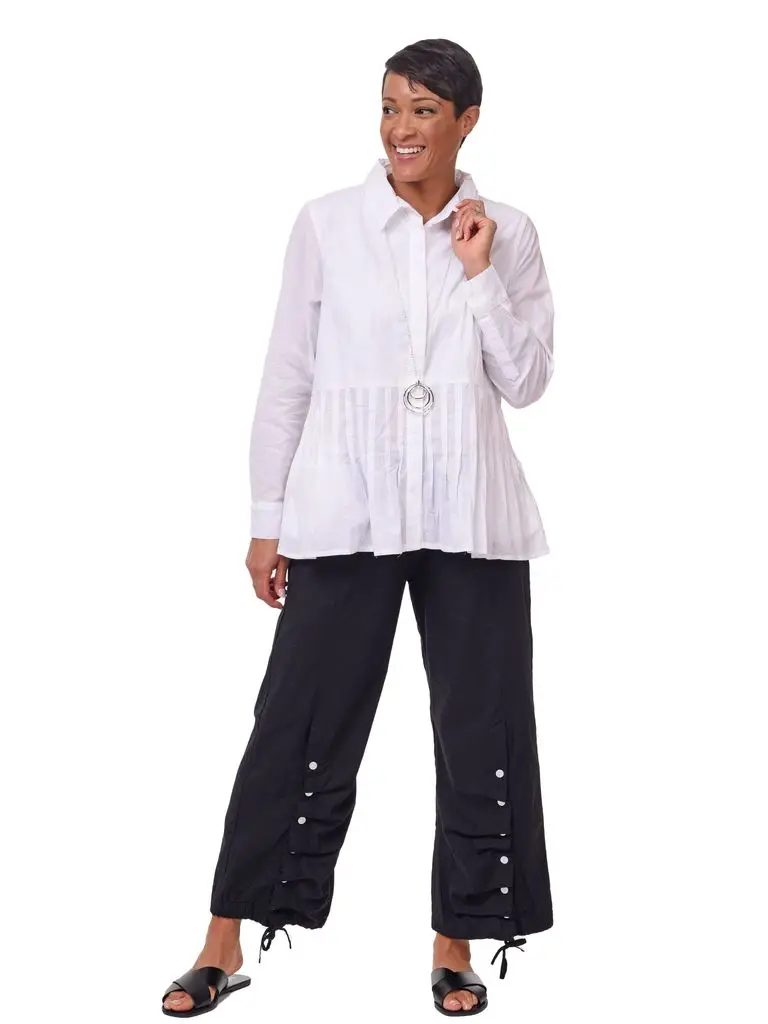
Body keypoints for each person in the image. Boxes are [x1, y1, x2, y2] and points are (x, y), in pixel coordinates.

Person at [162, 37, 555, 1018]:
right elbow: (287, 373)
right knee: (296, 716)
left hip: (471, 513)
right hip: (344, 506)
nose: (400, 129)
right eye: (389, 107)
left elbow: (527, 381)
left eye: (423, 110)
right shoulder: (327, 224)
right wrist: (267, 519)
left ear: (467, 121)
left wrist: (478, 274)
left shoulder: (508, 231)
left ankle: (458, 941)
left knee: (483, 725)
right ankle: (223, 938)